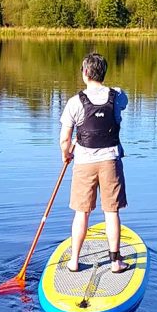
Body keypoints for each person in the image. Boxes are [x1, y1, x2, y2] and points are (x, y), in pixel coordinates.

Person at [59, 52, 129, 273]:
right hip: (110, 161)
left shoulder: (74, 102)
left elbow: (64, 139)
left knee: (82, 212)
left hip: (84, 163)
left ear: (85, 73)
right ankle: (116, 262)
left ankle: (74, 261)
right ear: (103, 73)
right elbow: (122, 101)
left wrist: (66, 153)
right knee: (111, 212)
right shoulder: (118, 96)